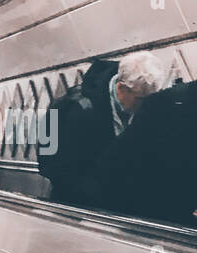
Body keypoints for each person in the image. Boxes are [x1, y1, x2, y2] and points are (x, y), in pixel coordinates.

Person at [38, 51, 166, 207]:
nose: (143, 105)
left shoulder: (140, 112)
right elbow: (48, 161)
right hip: (76, 206)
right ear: (123, 87)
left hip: (117, 207)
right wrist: (88, 190)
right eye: (140, 99)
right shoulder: (75, 107)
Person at [97, 77, 197, 225]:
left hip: (163, 203)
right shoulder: (165, 105)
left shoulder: (166, 103)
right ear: (122, 88)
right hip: (146, 207)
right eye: (138, 98)